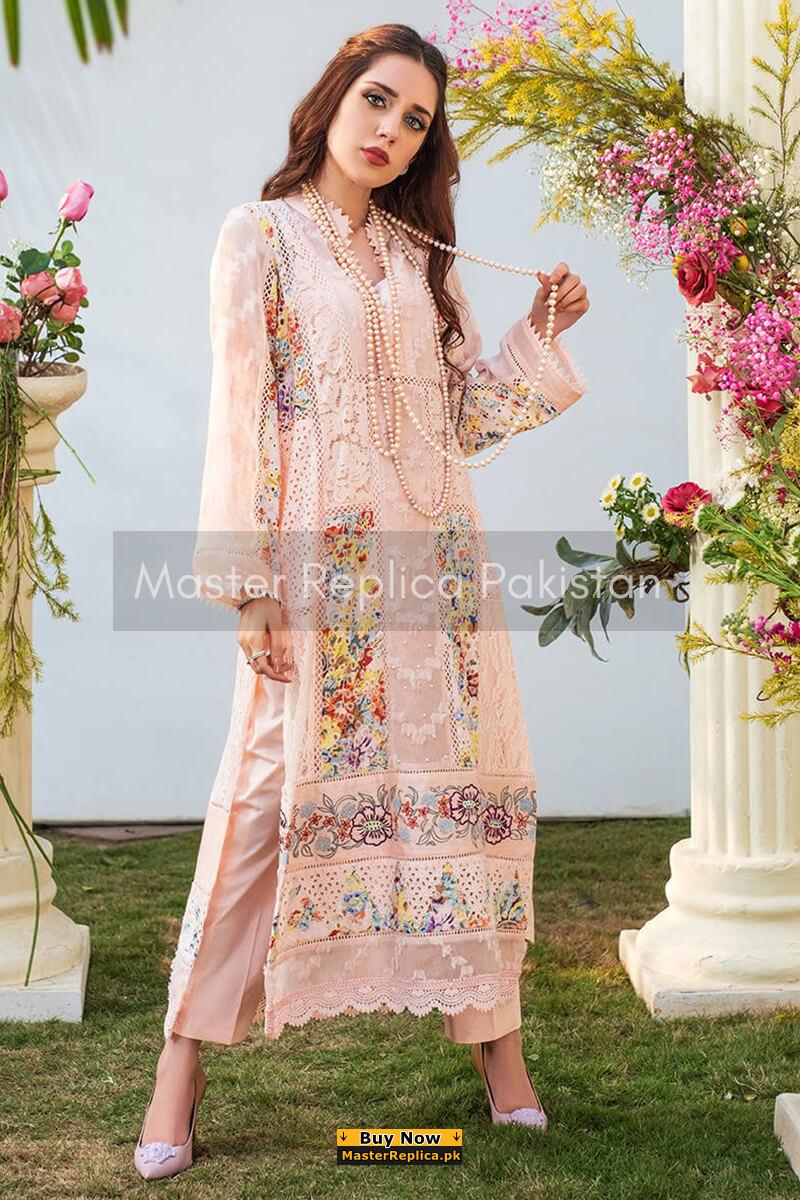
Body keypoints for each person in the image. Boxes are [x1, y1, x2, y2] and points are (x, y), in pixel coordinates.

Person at [134, 21, 588, 1180]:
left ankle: (497, 1052)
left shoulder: (419, 257)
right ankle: (180, 1065)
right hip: (315, 580)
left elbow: (462, 421)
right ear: (335, 97)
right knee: (259, 809)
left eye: (415, 119)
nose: (390, 129)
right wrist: (247, 589)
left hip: (437, 579)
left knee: (458, 804)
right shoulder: (260, 238)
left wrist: (539, 333)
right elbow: (238, 416)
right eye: (377, 100)